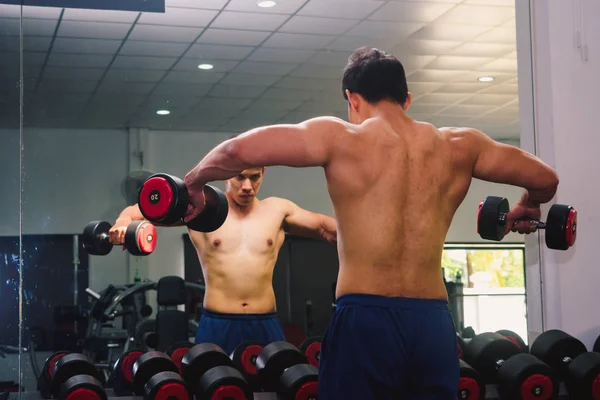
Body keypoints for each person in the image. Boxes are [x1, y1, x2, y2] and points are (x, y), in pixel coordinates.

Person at [182, 46, 560, 399]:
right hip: (431, 323)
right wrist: (528, 204)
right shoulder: (462, 145)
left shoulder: (340, 138)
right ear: (407, 99)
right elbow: (545, 180)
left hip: (365, 319)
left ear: (353, 99)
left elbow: (235, 151)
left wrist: (194, 183)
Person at [110, 167, 337, 355]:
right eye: (240, 176)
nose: (247, 186)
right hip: (218, 324)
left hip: (265, 322)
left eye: (254, 177)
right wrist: (123, 222)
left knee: (278, 389)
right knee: (214, 387)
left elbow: (327, 228)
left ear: (263, 173)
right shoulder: (202, 210)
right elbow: (140, 210)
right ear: (227, 173)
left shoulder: (278, 211)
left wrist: (367, 233)